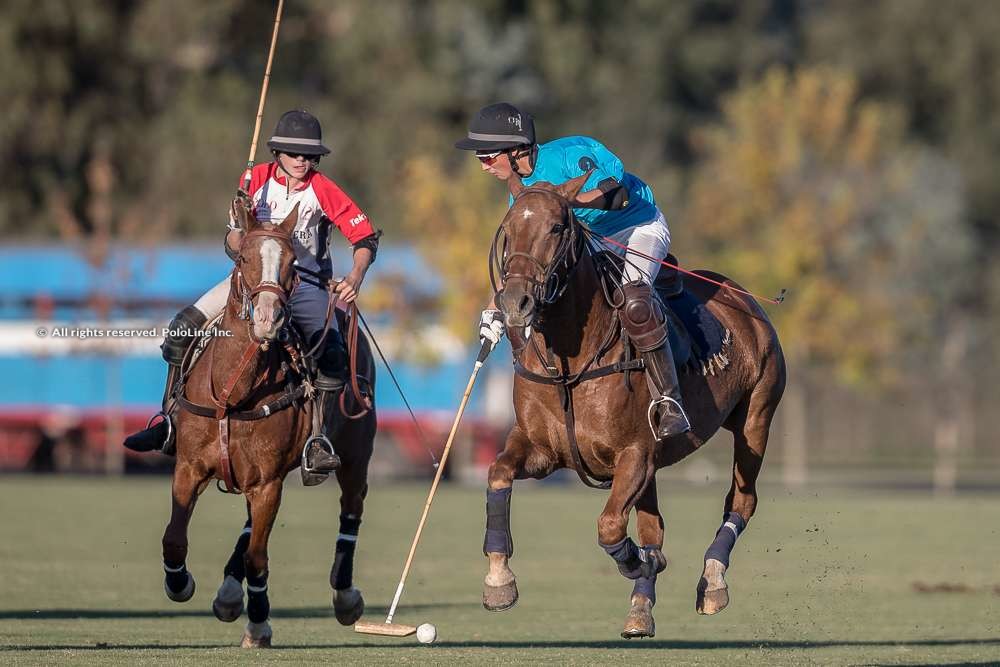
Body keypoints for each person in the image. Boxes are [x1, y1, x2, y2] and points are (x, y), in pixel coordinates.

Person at [124, 109, 380, 481]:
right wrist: (240, 226)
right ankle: (168, 422)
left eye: (310, 156)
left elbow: (365, 238)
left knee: (334, 357)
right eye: (295, 154)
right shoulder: (253, 179)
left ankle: (317, 442)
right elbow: (231, 244)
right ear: (277, 153)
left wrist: (356, 275)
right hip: (250, 280)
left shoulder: (323, 189)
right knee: (181, 329)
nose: (303, 161)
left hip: (304, 284)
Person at [455, 102, 690, 439]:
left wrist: (571, 201)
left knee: (634, 300)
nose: (483, 167)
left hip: (637, 226)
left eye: (488, 157)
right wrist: (494, 308)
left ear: (515, 149)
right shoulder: (521, 197)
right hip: (590, 239)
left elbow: (618, 195)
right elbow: (526, 263)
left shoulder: (569, 155)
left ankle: (669, 400)